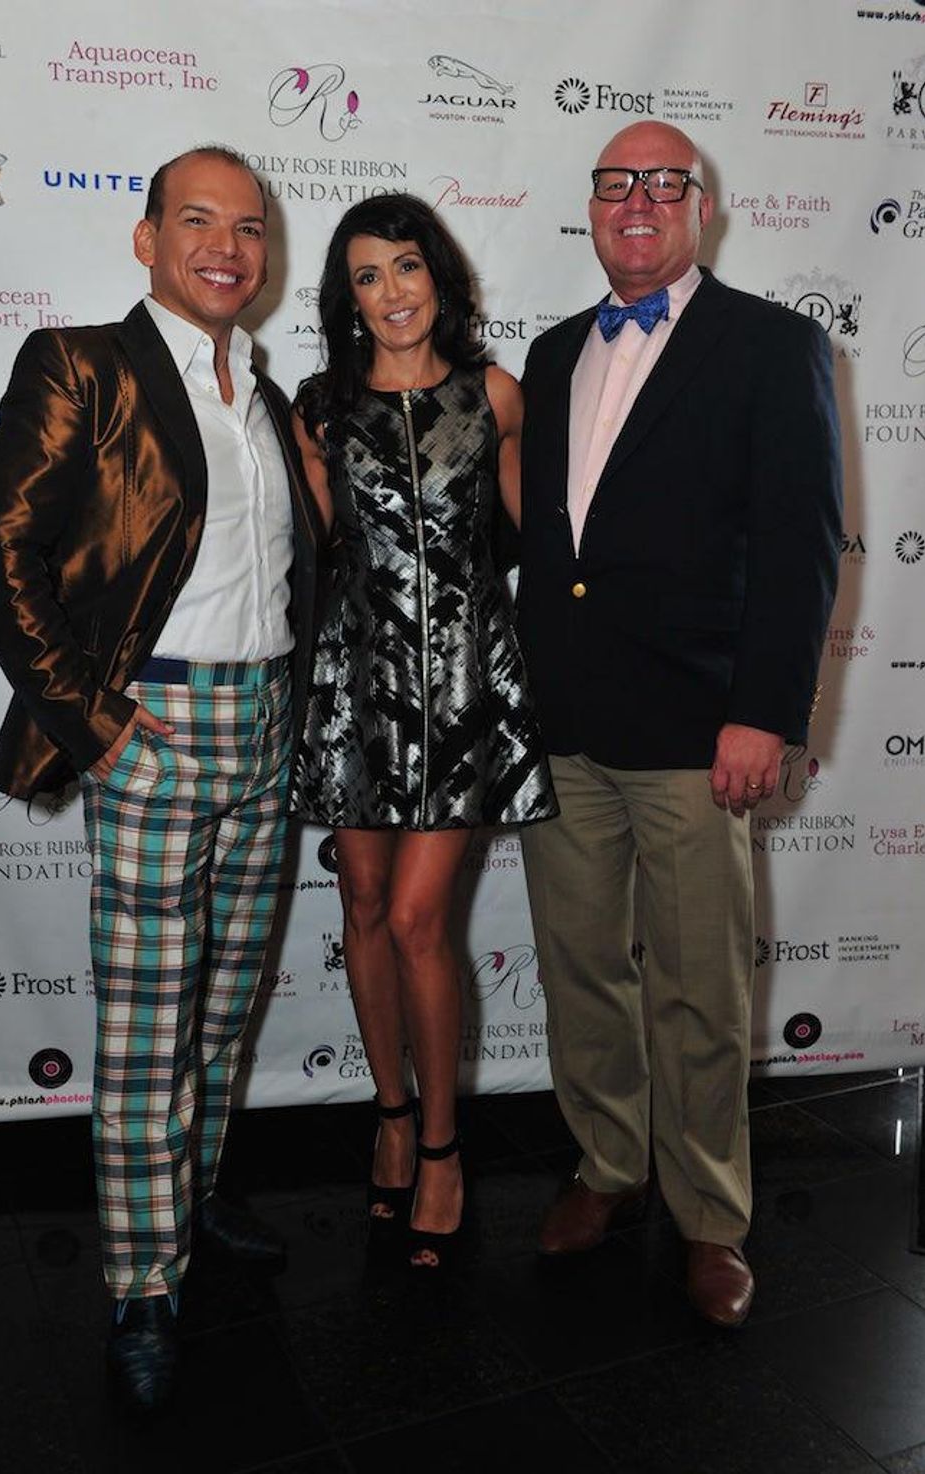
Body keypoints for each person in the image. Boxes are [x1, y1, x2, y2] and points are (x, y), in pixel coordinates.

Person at [0, 146, 319, 1407]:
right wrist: (93, 720)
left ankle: (196, 1198)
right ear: (147, 237)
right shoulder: (85, 365)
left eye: (250, 226)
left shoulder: (268, 394)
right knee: (145, 1029)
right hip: (153, 725)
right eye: (199, 220)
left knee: (222, 1011)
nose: (227, 245)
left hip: (265, 724)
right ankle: (140, 1282)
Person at [517, 122, 841, 1326]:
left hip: (700, 733)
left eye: (662, 185)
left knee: (699, 988)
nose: (636, 203)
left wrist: (765, 712)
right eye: (614, 185)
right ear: (591, 209)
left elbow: (802, 545)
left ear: (698, 208)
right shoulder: (551, 356)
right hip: (565, 730)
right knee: (580, 969)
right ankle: (608, 1166)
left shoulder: (771, 343)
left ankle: (709, 1216)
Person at [290, 193, 555, 1269]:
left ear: (438, 277)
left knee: (411, 921)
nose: (390, 292)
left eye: (405, 267)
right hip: (353, 687)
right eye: (366, 275)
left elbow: (539, 540)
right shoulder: (320, 409)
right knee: (359, 907)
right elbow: (315, 559)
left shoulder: (493, 394)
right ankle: (389, 1115)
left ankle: (442, 1146)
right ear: (345, 299)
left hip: (460, 690)